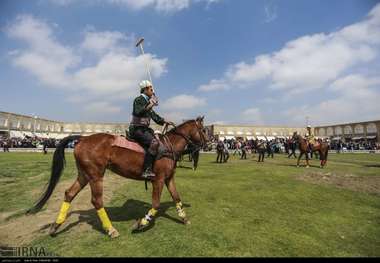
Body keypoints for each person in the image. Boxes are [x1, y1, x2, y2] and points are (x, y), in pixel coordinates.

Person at [128, 80, 174, 179]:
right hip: (137, 129)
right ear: (145, 90)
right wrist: (151, 104)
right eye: (151, 89)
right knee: (154, 143)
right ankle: (146, 170)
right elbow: (138, 112)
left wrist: (164, 121)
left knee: (160, 143)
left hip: (145, 129)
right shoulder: (138, 100)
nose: (153, 91)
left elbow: (154, 116)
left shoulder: (148, 102)